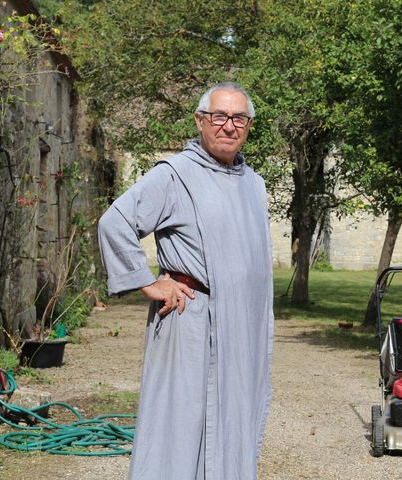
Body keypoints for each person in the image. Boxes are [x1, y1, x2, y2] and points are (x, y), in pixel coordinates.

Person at [98, 82, 274, 480]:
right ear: (200, 121)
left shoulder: (253, 184)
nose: (229, 126)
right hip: (191, 320)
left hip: (239, 327)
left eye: (239, 118)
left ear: (248, 126)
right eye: (219, 116)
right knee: (179, 425)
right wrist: (148, 282)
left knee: (234, 418)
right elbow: (116, 222)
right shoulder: (174, 175)